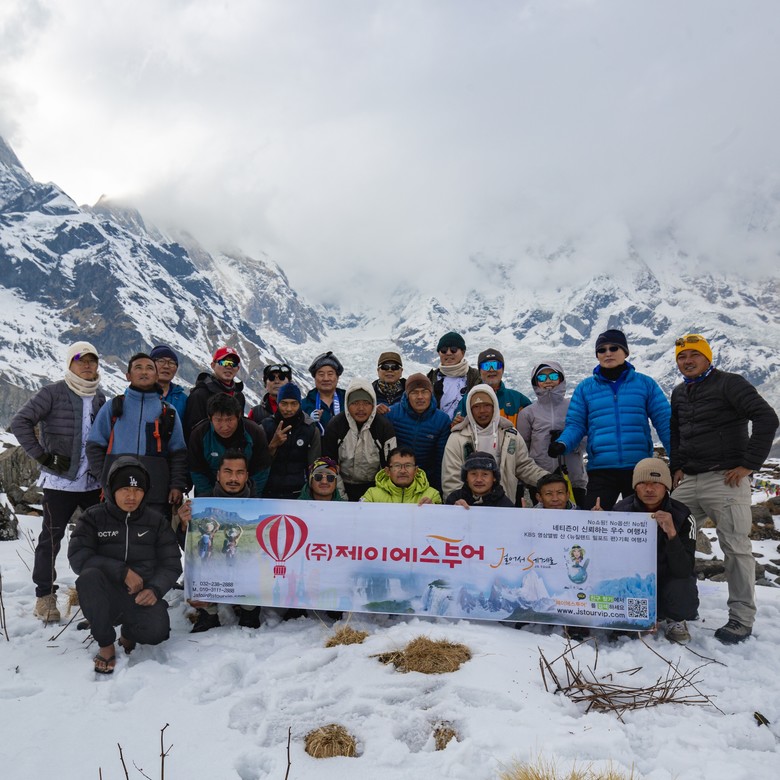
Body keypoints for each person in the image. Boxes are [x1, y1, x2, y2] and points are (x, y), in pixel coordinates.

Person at [670, 333, 779, 644]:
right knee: (668, 541)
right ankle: (677, 607)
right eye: (681, 356)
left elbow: (766, 418)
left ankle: (741, 619)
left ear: (708, 357)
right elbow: (676, 432)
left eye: (694, 354)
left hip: (725, 479)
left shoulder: (731, 383)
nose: (687, 361)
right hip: (689, 479)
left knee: (735, 548)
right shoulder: (680, 392)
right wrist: (676, 466)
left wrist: (749, 464)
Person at [10, 341, 106, 622]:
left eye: (92, 359)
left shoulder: (100, 397)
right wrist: (43, 456)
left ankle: (87, 590)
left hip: (92, 482)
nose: (87, 364)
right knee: (51, 539)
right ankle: (45, 597)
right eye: (80, 359)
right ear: (70, 363)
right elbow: (20, 422)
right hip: (60, 482)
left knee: (98, 538)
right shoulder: (53, 392)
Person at [68, 457, 182, 673]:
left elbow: (172, 564)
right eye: (124, 489)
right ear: (111, 489)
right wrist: (121, 571)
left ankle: (129, 633)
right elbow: (78, 557)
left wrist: (155, 589)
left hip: (140, 595)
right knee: (88, 578)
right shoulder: (93, 517)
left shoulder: (156, 521)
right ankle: (106, 644)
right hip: (104, 595)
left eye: (137, 490)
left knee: (157, 632)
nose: (131, 496)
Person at [548, 329, 671, 510]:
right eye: (602, 350)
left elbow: (664, 422)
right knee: (593, 522)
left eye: (614, 348)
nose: (608, 353)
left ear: (625, 352)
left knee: (642, 524)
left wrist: (676, 459)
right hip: (601, 469)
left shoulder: (645, 384)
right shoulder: (586, 388)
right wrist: (563, 443)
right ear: (597, 355)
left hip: (638, 469)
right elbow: (576, 424)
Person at [87, 353, 188, 516]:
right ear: (128, 376)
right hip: (118, 492)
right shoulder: (113, 407)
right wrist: (105, 479)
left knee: (154, 539)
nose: (144, 372)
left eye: (149, 368)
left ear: (156, 375)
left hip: (157, 494)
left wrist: (176, 485)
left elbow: (178, 452)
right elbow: (94, 446)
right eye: (138, 368)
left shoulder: (167, 411)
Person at [614, 458, 699, 645]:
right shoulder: (620, 512)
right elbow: (611, 562)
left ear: (666, 486)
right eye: (643, 483)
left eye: (656, 483)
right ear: (635, 487)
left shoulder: (683, 515)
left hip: (669, 580)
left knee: (682, 584)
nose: (649, 489)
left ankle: (675, 619)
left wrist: (672, 534)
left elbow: (685, 568)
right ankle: (639, 618)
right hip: (637, 582)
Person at [177, 450, 262, 631]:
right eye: (228, 471)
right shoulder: (201, 503)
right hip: (213, 564)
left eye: (239, 472)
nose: (233, 478)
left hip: (242, 565)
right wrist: (184, 526)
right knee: (201, 562)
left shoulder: (258, 505)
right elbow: (187, 546)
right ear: (218, 474)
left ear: (247, 475)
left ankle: (249, 611)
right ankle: (209, 614)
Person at [442, 384, 548, 504]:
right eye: (476, 406)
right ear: (469, 410)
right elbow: (451, 479)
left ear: (495, 407)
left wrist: (547, 480)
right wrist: (458, 503)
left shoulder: (510, 435)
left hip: (503, 505)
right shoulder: (457, 438)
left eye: (487, 405)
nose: (482, 411)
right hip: (468, 508)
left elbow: (524, 466)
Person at [517, 360, 587, 507]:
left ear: (561, 379)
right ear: (535, 382)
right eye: (542, 378)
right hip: (540, 478)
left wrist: (566, 443)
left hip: (573, 477)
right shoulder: (528, 413)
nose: (548, 381)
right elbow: (523, 448)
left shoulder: (574, 407)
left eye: (553, 377)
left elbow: (585, 439)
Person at [322, 379, 397, 501]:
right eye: (355, 403)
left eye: (366, 403)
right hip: (341, 486)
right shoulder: (335, 426)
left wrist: (377, 496)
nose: (361, 408)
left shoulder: (383, 427)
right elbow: (329, 466)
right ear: (347, 404)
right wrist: (341, 498)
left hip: (375, 487)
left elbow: (389, 468)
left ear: (373, 404)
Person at [188, 393, 270, 497]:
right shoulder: (199, 434)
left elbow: (261, 470)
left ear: (239, 415)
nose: (225, 426)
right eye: (218, 420)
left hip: (247, 495)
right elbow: (197, 471)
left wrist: (251, 497)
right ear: (210, 418)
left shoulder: (254, 432)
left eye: (229, 420)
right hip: (210, 494)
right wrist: (210, 498)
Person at [386, 373, 451, 493]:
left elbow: (441, 460)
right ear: (407, 395)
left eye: (424, 391)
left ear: (431, 394)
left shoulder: (441, 420)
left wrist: (437, 490)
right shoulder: (392, 414)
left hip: (427, 481)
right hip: (396, 479)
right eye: (414, 392)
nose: (420, 396)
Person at [261, 382, 321, 499]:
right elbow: (258, 465)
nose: (289, 409)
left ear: (300, 404)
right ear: (278, 404)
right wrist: (273, 445)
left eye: (294, 404)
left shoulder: (310, 429)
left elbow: (314, 466)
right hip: (269, 494)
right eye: (284, 404)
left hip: (300, 494)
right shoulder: (265, 427)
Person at [454, 348, 532, 426]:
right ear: (480, 371)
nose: (491, 370)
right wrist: (458, 422)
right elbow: (456, 426)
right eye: (486, 366)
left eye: (496, 365)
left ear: (503, 370)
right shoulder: (468, 399)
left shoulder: (518, 399)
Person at [184, 346, 246, 438]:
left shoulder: (239, 396)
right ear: (213, 365)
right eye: (224, 362)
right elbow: (193, 430)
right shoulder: (200, 394)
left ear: (238, 368)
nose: (229, 367)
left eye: (233, 364)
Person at [426, 331, 481, 420]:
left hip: (467, 430)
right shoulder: (430, 378)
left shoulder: (476, 377)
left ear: (463, 352)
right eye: (443, 350)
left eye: (453, 349)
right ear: (439, 353)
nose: (448, 353)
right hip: (437, 431)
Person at [361, 446, 442, 505]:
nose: (403, 471)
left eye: (408, 466)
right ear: (387, 471)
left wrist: (432, 509)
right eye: (397, 466)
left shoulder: (432, 495)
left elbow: (438, 523)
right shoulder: (372, 495)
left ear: (416, 470)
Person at [445, 451, 514, 507]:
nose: (479, 479)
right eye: (473, 474)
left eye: (485, 474)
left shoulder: (505, 505)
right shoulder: (454, 499)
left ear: (494, 478)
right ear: (466, 477)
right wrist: (454, 510)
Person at [301, 351, 347, 434]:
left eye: (330, 374)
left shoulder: (348, 401)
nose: (326, 379)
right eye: (321, 374)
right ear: (314, 377)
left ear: (337, 377)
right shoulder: (304, 405)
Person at [150, 344, 187, 423]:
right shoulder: (138, 393)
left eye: (171, 363)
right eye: (161, 361)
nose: (166, 366)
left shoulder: (183, 399)